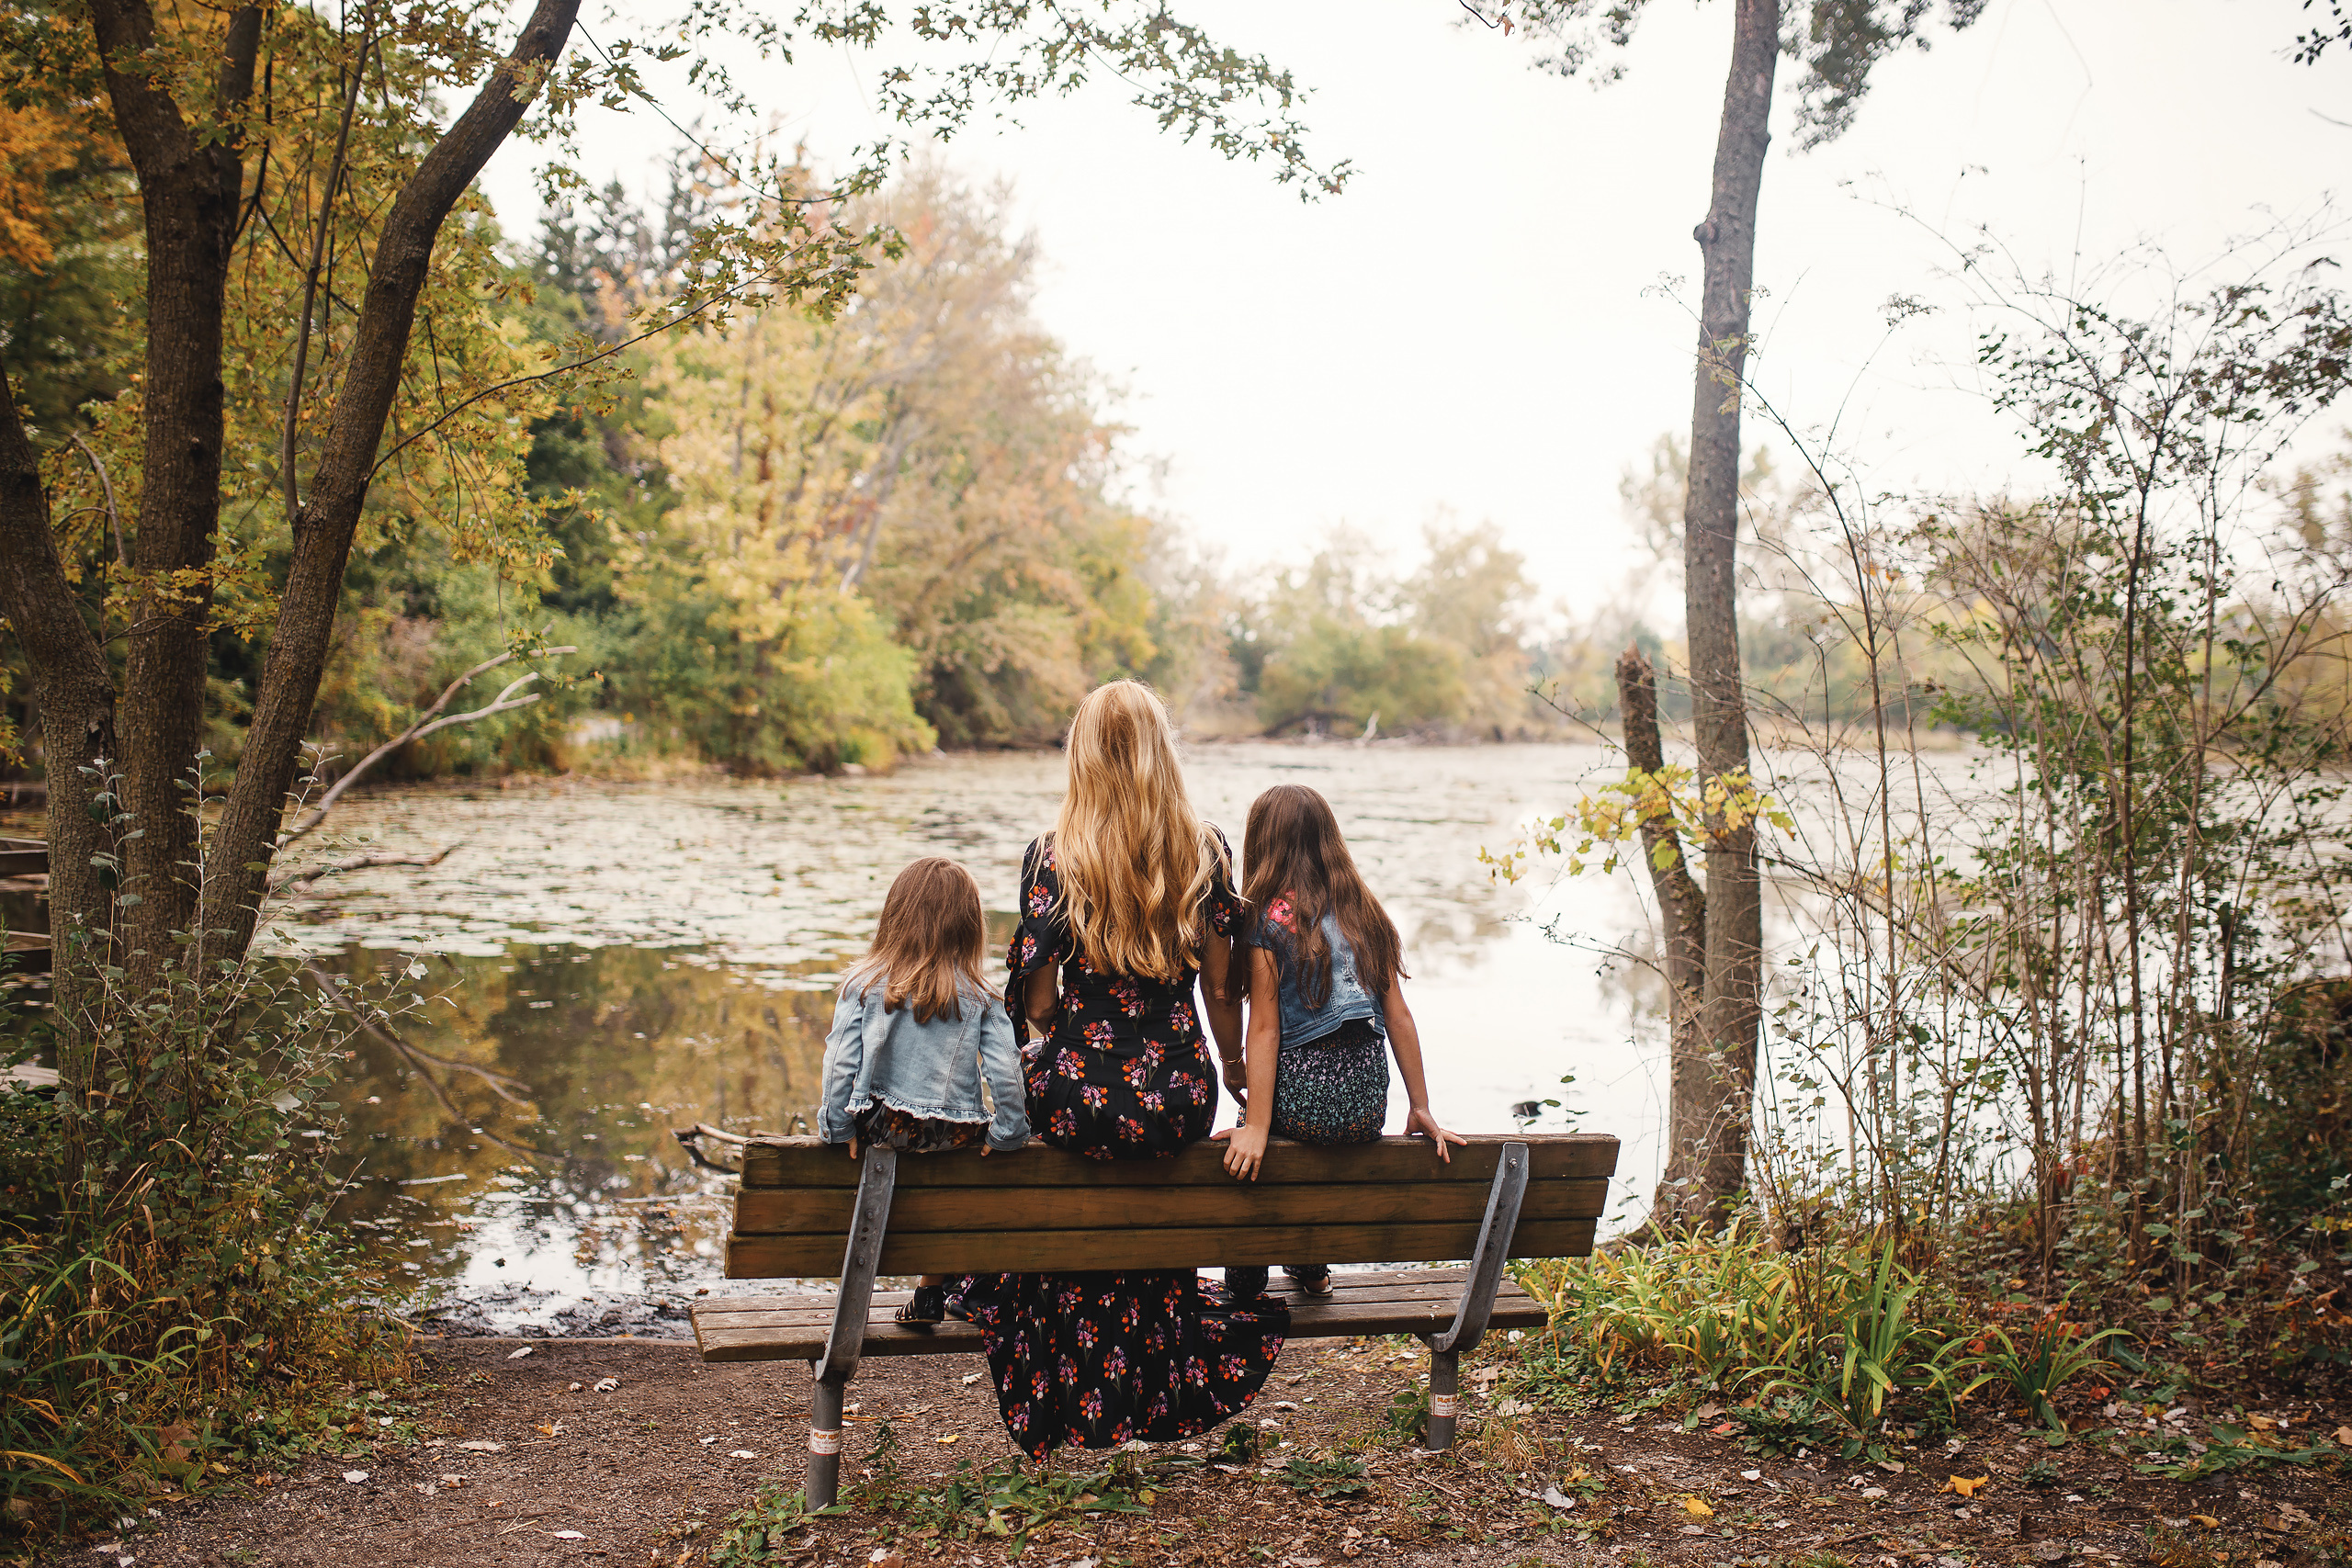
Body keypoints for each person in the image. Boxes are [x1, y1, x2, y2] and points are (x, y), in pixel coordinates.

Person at [947, 680, 1287, 1459]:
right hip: (1179, 1097)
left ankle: (1072, 1334)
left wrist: (1075, 1039)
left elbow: (1037, 1000)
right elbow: (1222, 987)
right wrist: (1233, 1067)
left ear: (1084, 755)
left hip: (1079, 1095)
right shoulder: (1206, 849)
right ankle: (1147, 1345)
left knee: (1037, 1078)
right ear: (1162, 752)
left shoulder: (1052, 853)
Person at [1215, 783, 1465, 1299]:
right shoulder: (1362, 910)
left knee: (1249, 1136)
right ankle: (1311, 1269)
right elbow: (1399, 1016)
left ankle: (1244, 1282)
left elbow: (1265, 1028)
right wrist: (1420, 1106)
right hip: (1366, 1106)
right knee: (1298, 1137)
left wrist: (1255, 1124)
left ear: (1262, 843)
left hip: (1306, 1101)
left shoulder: (1268, 920)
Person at [819, 856, 1029, 1325]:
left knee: (887, 1149)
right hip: (950, 1134)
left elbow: (840, 1064)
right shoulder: (982, 995)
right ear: (969, 928)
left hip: (881, 1127)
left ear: (894, 916)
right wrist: (1007, 1133)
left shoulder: (864, 984)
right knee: (953, 1175)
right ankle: (930, 1290)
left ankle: (887, 1287)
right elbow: (1007, 1072)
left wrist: (837, 1127)